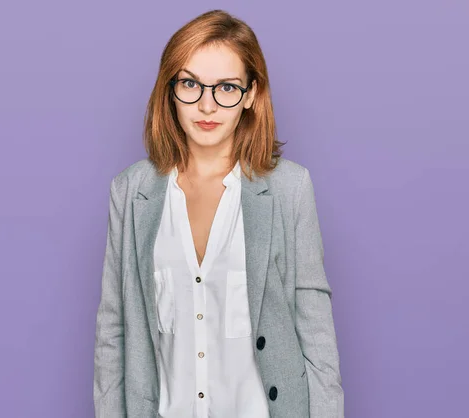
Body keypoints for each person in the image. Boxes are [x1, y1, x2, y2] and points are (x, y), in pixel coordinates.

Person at [93, 9, 344, 418]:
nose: (206, 105)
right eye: (191, 83)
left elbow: (316, 334)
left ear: (250, 95)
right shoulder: (130, 191)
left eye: (226, 87)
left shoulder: (290, 189)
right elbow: (113, 331)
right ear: (170, 89)